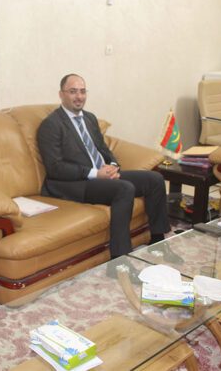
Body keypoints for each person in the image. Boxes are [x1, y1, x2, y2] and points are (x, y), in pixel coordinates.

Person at [37, 73, 171, 259]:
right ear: (61, 94)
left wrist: (113, 166)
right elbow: (55, 167)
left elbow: (103, 149)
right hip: (76, 183)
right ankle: (120, 259)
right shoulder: (51, 125)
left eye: (83, 91)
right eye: (73, 91)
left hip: (101, 176)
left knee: (154, 179)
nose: (79, 96)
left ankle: (158, 242)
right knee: (124, 188)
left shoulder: (90, 118)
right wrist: (95, 173)